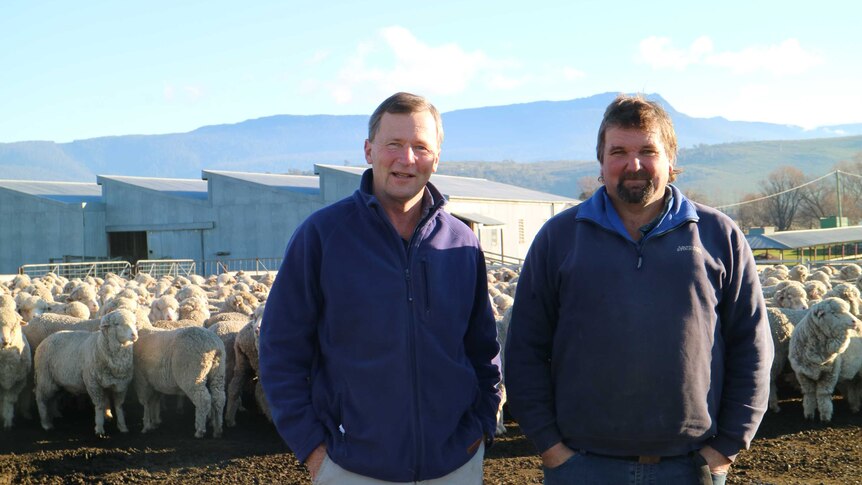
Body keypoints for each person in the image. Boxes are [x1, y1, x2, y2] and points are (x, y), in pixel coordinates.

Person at [504, 94, 773, 485]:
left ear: (670, 158)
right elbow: (525, 346)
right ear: (601, 161)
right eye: (619, 151)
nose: (634, 165)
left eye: (648, 150)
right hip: (582, 466)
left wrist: (725, 448)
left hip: (689, 466)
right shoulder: (559, 239)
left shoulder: (718, 236)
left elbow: (752, 345)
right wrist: (550, 446)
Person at [258, 92, 501, 484]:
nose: (406, 159)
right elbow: (279, 350)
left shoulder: (461, 242)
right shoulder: (323, 237)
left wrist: (480, 426)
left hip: (455, 466)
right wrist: (315, 452)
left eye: (420, 147)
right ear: (369, 151)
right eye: (394, 145)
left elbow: (482, 348)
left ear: (436, 157)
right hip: (353, 469)